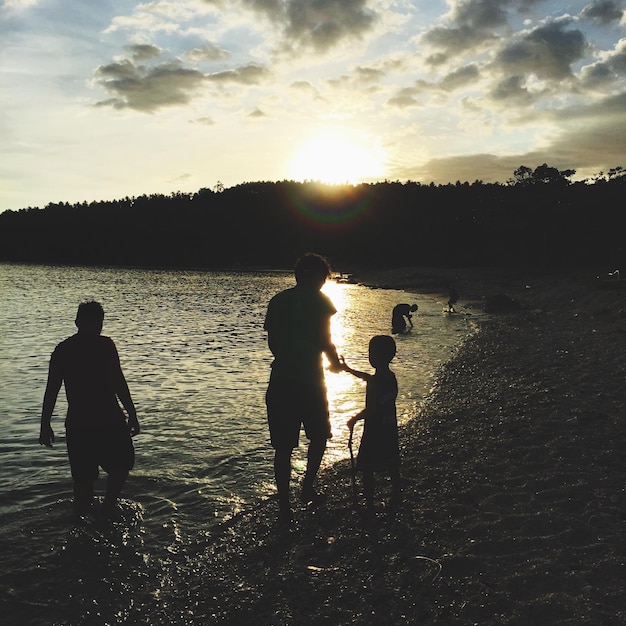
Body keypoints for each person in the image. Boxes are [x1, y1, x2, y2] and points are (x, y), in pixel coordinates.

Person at [39, 301, 140, 518]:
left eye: (99, 323)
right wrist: (131, 413)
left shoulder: (63, 350)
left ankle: (86, 525)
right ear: (78, 323)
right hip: (106, 420)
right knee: (120, 465)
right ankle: (106, 509)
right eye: (94, 323)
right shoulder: (103, 346)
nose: (97, 327)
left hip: (81, 423)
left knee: (86, 481)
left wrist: (45, 424)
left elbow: (51, 390)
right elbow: (118, 382)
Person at [264, 253, 343, 523]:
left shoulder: (278, 300)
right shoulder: (320, 300)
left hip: (281, 380)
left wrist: (288, 356)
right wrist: (334, 362)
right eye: (322, 277)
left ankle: (284, 505)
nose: (323, 283)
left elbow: (272, 341)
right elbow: (325, 338)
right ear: (312, 275)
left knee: (283, 447)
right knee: (319, 436)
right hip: (310, 381)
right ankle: (307, 487)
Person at [341, 335, 401, 511]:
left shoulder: (374, 382)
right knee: (392, 463)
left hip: (374, 431)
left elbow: (371, 410)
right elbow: (367, 377)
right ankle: (397, 494)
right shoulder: (391, 377)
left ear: (376, 356)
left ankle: (369, 503)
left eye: (371, 353)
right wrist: (348, 369)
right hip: (389, 428)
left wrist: (353, 419)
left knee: (367, 468)